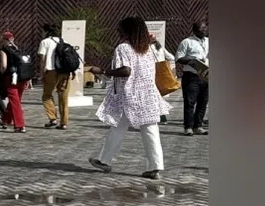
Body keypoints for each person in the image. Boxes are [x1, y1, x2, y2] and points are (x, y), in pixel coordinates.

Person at [89, 16, 170, 179]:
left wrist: (103, 72)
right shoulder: (147, 48)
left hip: (129, 95)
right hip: (148, 95)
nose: (118, 31)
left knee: (118, 128)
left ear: (127, 30)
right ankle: (155, 167)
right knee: (150, 130)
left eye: (120, 28)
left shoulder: (123, 48)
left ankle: (105, 160)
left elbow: (126, 71)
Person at [174, 20, 209, 136]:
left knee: (203, 102)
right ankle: (188, 127)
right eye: (201, 29)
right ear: (194, 30)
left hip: (206, 76)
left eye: (205, 29)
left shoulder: (209, 41)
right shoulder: (187, 42)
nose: (204, 31)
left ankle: (198, 126)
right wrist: (193, 61)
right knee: (190, 102)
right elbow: (179, 58)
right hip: (192, 76)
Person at [36, 23, 71, 130]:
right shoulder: (63, 41)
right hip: (65, 72)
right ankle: (64, 123)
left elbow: (42, 59)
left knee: (47, 95)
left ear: (45, 31)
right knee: (63, 97)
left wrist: (42, 73)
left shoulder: (44, 42)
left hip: (51, 71)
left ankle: (53, 118)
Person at [0, 31, 32, 132]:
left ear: (4, 40)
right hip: (22, 78)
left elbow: (4, 66)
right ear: (12, 39)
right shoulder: (18, 49)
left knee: (15, 102)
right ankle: (5, 120)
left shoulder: (4, 50)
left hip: (11, 78)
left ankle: (20, 125)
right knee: (15, 100)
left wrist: (0, 74)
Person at [149, 34, 177, 125]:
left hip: (152, 73)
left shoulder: (146, 48)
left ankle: (161, 117)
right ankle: (161, 117)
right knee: (158, 96)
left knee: (155, 96)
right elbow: (171, 57)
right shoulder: (160, 47)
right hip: (161, 72)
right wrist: (170, 67)